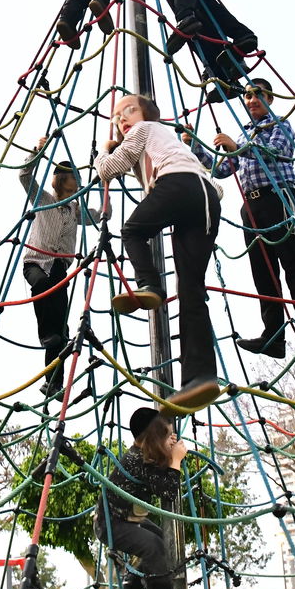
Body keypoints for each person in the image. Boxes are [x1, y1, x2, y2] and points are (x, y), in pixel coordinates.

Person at [95, 94, 223, 408]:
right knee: (191, 289)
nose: (122, 119)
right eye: (116, 118)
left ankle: (150, 284)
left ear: (148, 114)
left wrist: (101, 151)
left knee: (133, 230)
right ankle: (200, 377)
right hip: (207, 197)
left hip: (178, 185)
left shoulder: (146, 129)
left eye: (129, 111)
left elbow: (109, 169)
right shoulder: (164, 142)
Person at [187, 79, 295, 358]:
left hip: (279, 198)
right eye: (247, 96)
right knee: (263, 270)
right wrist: (196, 145)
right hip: (252, 205)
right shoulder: (244, 133)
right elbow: (222, 169)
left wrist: (237, 146)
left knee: (293, 257)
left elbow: (276, 152)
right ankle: (273, 335)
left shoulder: (279, 125)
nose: (251, 100)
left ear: (270, 99)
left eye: (257, 94)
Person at [20, 137, 108, 397]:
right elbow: (25, 176)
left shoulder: (74, 211)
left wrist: (105, 184)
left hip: (60, 268)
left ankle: (54, 382)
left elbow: (101, 214)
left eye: (74, 189)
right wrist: (38, 150)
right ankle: (45, 334)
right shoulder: (44, 199)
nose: (70, 192)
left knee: (61, 331)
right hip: (36, 263)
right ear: (58, 182)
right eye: (67, 186)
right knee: (43, 288)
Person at [95, 407, 188, 589]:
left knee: (163, 539)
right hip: (112, 524)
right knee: (154, 546)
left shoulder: (146, 454)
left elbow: (160, 477)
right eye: (166, 436)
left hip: (127, 518)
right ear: (154, 440)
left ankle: (133, 584)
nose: (170, 440)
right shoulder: (137, 461)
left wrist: (169, 447)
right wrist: (175, 461)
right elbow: (167, 491)